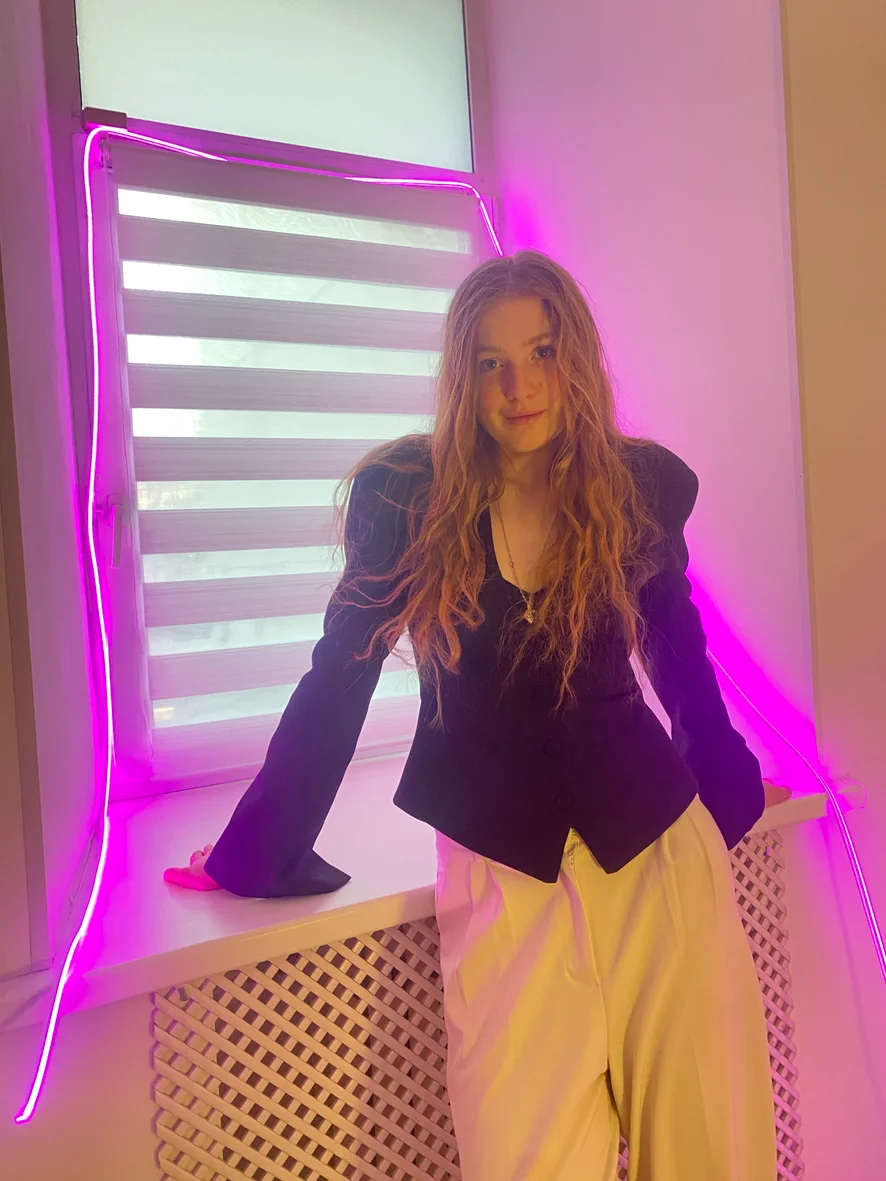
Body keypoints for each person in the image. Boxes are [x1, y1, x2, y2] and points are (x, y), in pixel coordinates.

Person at [166, 250, 789, 1180]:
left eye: (541, 352)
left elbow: (679, 655)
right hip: (502, 878)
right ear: (462, 376)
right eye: (491, 362)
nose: (519, 386)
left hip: (661, 862)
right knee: (525, 1156)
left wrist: (730, 785)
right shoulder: (408, 499)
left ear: (575, 356)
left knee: (712, 1152)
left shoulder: (636, 486)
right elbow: (342, 670)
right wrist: (252, 845)